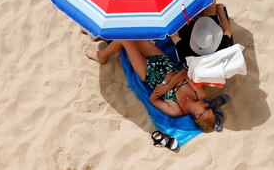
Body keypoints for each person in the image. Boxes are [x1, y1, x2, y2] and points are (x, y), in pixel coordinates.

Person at [87, 40, 216, 132]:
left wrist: (165, 84)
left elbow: (153, 100)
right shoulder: (200, 94)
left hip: (149, 74)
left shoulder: (176, 111)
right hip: (163, 61)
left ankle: (102, 56)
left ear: (198, 115)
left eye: (206, 108)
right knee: (134, 35)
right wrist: (168, 86)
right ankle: (106, 38)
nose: (207, 104)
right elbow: (184, 73)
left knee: (125, 40)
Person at [171, 0, 233, 64]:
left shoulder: (186, 52)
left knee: (183, 11)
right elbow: (228, 31)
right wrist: (221, 11)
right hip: (205, 33)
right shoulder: (221, 46)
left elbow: (174, 36)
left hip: (188, 37)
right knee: (210, 2)